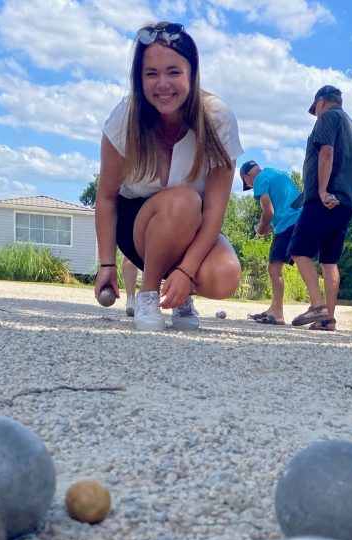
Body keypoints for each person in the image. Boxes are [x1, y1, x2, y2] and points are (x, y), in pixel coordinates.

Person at [94, 22, 243, 331]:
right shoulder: (124, 118)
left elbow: (215, 212)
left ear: (192, 72)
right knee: (184, 201)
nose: (163, 84)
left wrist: (188, 273)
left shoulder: (218, 119)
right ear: (139, 79)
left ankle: (179, 294)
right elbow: (106, 197)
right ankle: (148, 294)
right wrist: (106, 264)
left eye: (173, 72)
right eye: (152, 74)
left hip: (193, 225)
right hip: (135, 224)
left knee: (225, 274)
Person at [290, 85, 352, 332]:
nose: (316, 113)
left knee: (298, 250)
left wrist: (321, 191)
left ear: (321, 101)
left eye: (315, 109)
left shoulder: (329, 117)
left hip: (324, 199)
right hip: (345, 201)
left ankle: (317, 306)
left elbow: (327, 152)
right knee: (330, 261)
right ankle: (328, 319)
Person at [239, 160, 302, 326]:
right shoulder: (275, 172)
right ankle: (274, 309)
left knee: (274, 267)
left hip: (288, 224)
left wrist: (261, 227)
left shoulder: (259, 179)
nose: (252, 187)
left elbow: (268, 211)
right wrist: (269, 226)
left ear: (247, 178)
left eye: (248, 185)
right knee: (301, 262)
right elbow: (284, 203)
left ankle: (277, 313)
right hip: (299, 220)